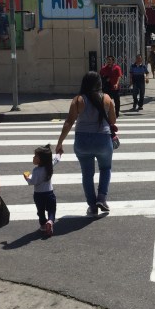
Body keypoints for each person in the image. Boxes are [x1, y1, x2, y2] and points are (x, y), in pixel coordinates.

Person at [55, 72, 117, 217]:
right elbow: (113, 121)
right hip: (103, 140)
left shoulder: (78, 100)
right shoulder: (107, 98)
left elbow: (69, 122)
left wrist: (60, 143)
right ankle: (102, 198)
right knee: (106, 168)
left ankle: (92, 205)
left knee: (87, 174)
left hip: (83, 141)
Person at [23, 144, 56, 236]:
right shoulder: (49, 166)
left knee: (40, 211)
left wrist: (26, 177)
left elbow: (32, 182)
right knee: (51, 210)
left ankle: (43, 225)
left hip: (38, 195)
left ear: (41, 159)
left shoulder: (36, 171)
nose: (33, 157)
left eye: (35, 156)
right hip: (50, 193)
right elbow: (56, 160)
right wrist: (59, 154)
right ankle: (50, 221)